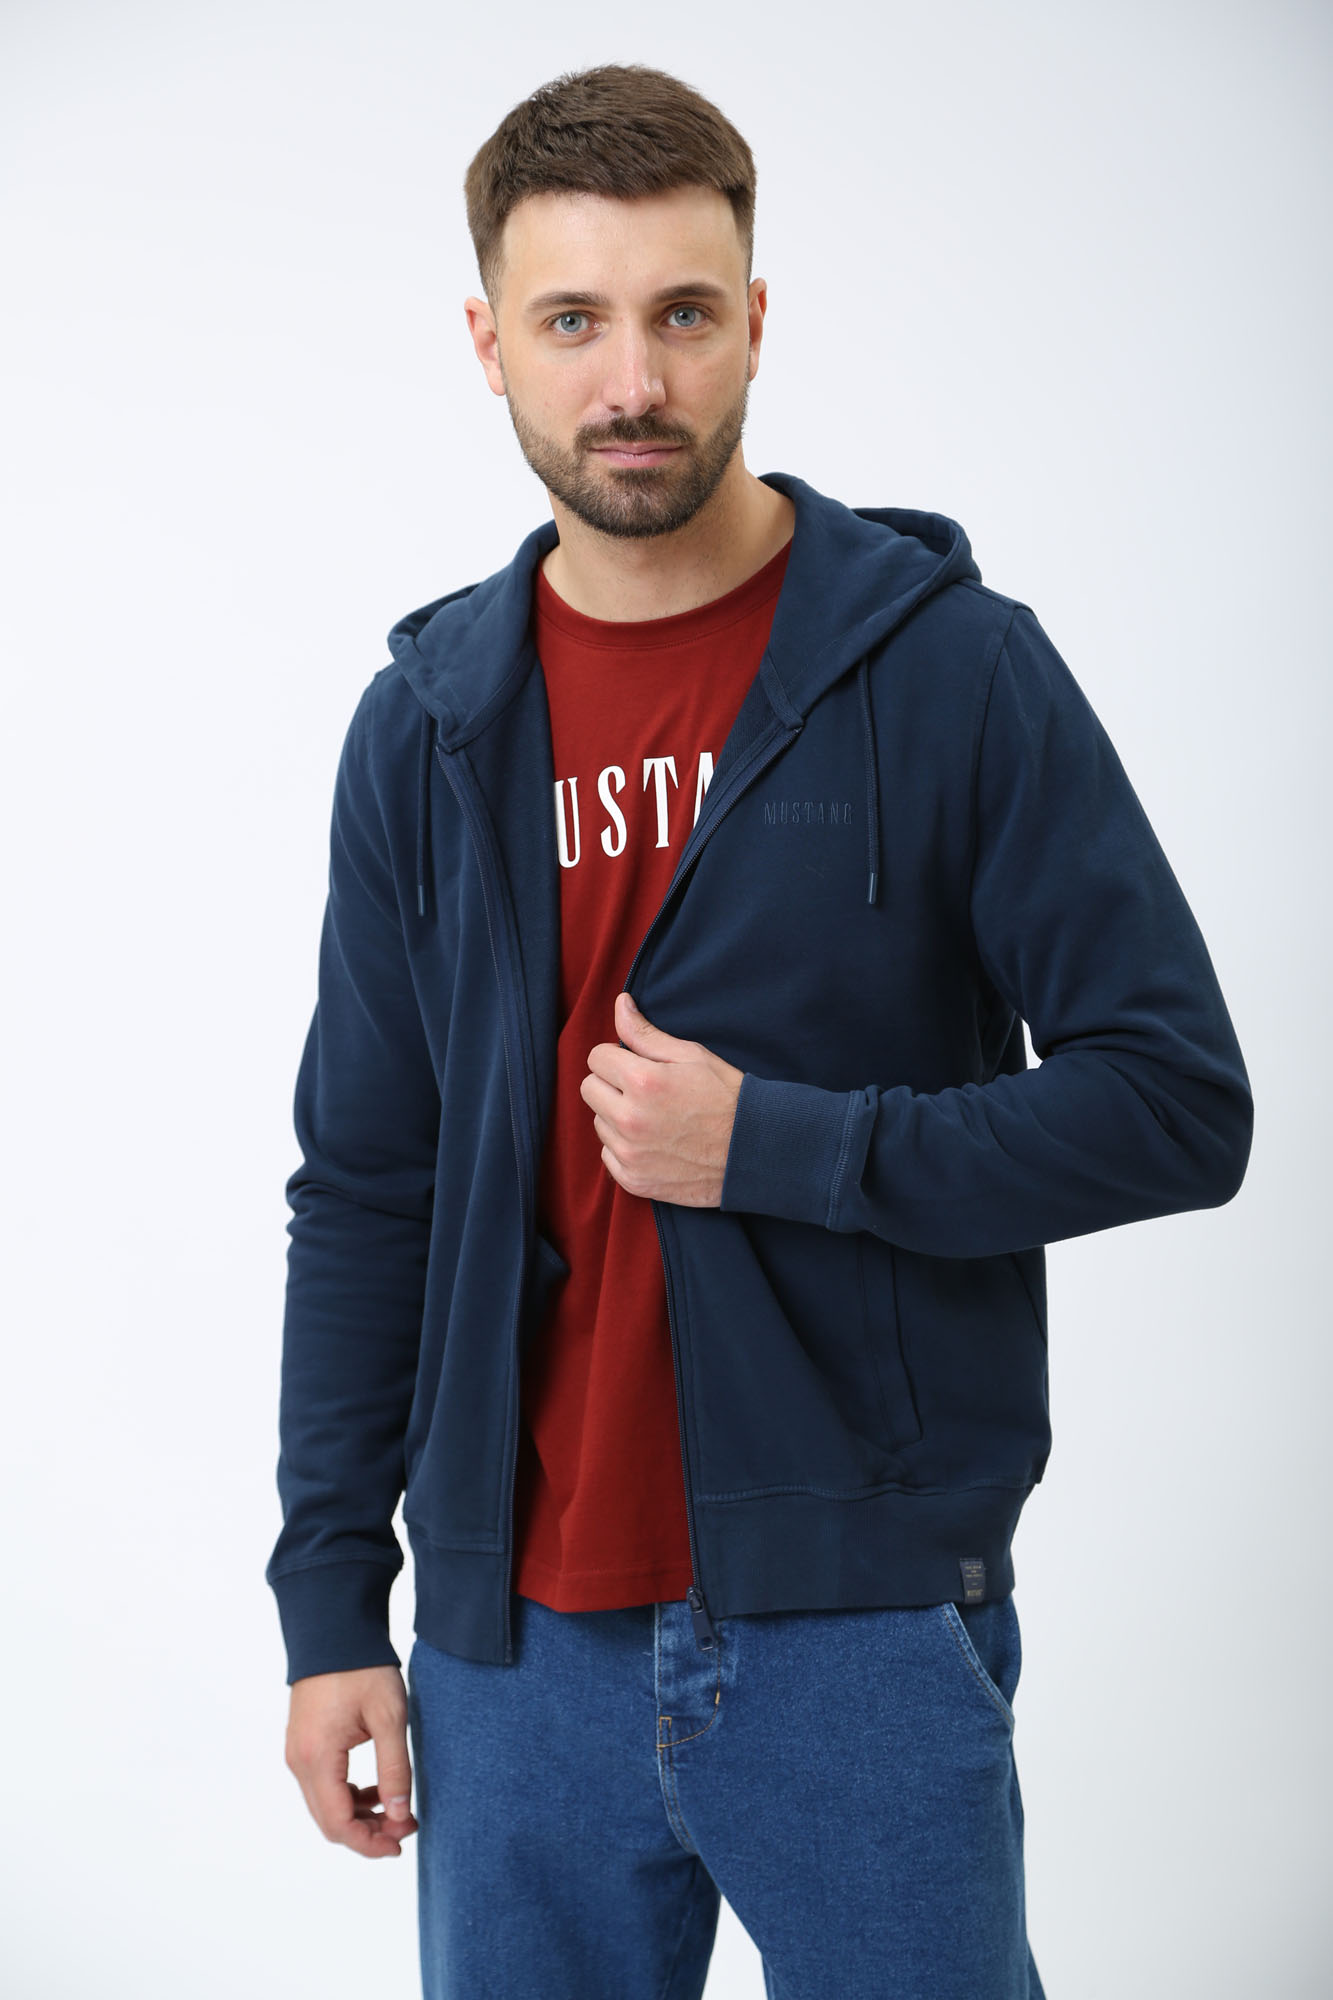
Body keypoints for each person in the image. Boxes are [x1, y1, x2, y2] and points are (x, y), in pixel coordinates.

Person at [266, 62, 1253, 2000]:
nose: (632, 380)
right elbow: (368, 1184)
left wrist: (789, 1146)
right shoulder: (429, 727)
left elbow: (1172, 1102)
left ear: (754, 322)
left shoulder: (951, 671)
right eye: (572, 320)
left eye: (683, 314)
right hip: (507, 1640)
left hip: (858, 1617)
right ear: (488, 342)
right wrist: (329, 1605)